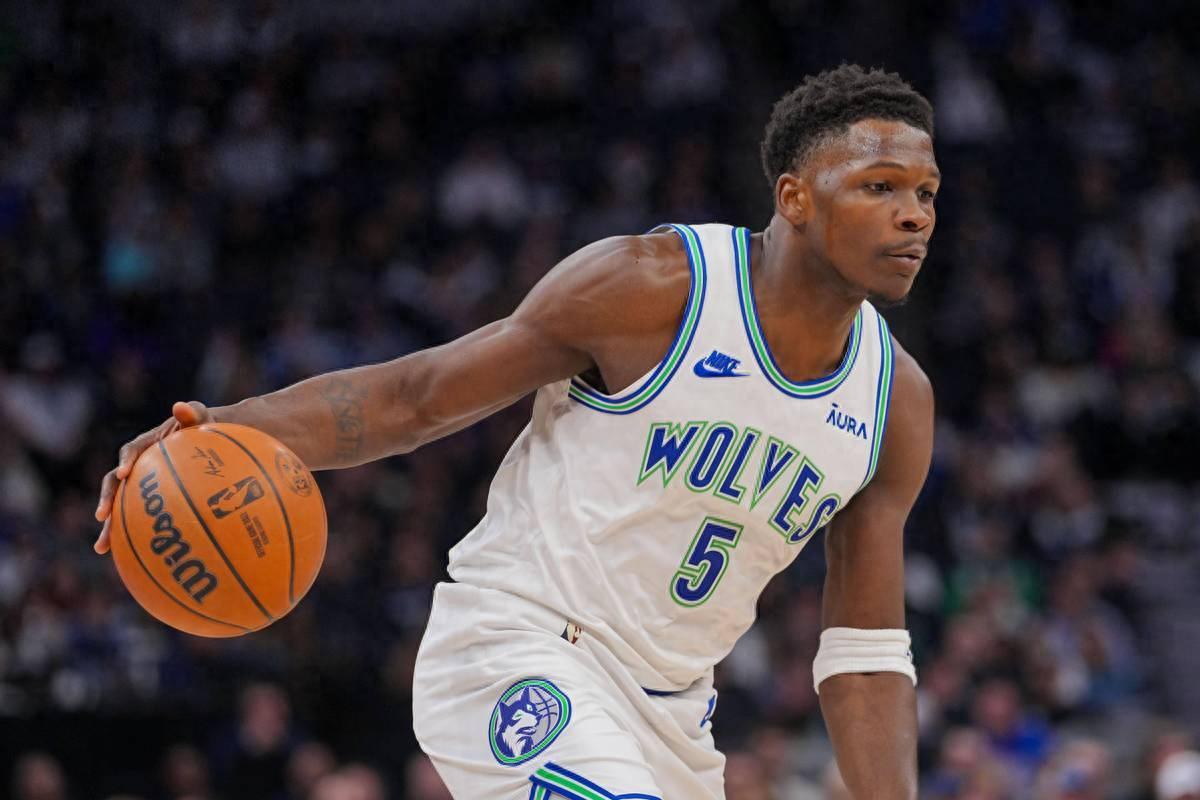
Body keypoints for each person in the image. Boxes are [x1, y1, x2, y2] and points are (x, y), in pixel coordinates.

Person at [94, 64, 938, 800]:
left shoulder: (894, 402)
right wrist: (227, 425)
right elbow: (415, 398)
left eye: (926, 194)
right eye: (881, 187)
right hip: (518, 647)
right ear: (794, 197)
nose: (914, 217)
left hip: (674, 716)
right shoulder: (654, 289)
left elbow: (865, 655)